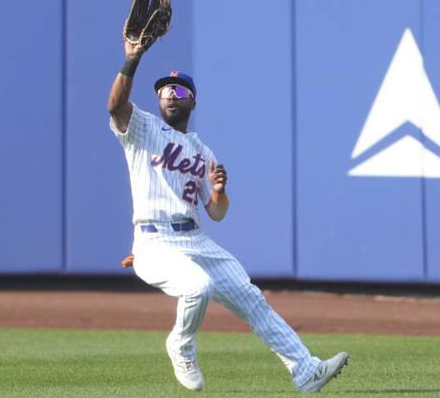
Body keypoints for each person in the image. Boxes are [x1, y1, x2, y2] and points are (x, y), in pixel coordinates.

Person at [106, 36, 349, 393]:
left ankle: (306, 371)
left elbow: (216, 212)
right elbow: (115, 105)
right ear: (158, 100)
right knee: (198, 288)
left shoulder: (204, 152)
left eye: (180, 90)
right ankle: (180, 345)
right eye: (165, 91)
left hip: (195, 238)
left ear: (193, 101)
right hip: (154, 241)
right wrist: (131, 60)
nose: (171, 95)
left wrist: (219, 192)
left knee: (252, 299)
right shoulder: (142, 128)